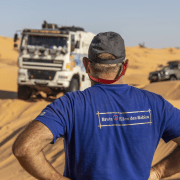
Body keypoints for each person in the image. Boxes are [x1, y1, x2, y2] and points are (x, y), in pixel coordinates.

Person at [13, 32, 180, 180]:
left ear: (87, 65)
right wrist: (158, 173)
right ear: (125, 66)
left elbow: (24, 148)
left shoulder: (70, 105)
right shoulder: (155, 104)